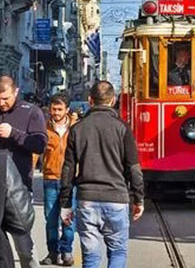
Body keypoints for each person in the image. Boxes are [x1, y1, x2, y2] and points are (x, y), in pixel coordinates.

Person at [59, 81, 144, 268]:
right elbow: (133, 168)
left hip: (86, 201)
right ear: (113, 100)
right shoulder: (123, 128)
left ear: (90, 100)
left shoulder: (77, 129)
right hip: (116, 200)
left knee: (90, 258)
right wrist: (139, 199)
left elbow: (68, 170)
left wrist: (65, 204)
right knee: (118, 252)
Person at [0, 76, 46, 268]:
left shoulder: (31, 112)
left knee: (23, 244)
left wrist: (14, 133)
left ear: (16, 92)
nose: (2, 103)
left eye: (6, 98)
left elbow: (39, 145)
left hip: (18, 187)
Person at [41, 95, 77, 266]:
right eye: (53, 109)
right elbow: (36, 151)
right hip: (50, 179)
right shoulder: (43, 127)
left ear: (67, 110)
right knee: (50, 220)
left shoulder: (76, 128)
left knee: (68, 219)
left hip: (69, 182)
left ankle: (67, 251)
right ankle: (52, 252)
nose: (56, 112)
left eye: (59, 109)